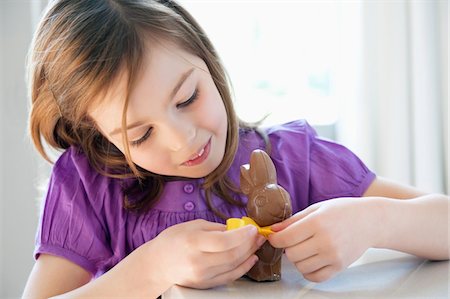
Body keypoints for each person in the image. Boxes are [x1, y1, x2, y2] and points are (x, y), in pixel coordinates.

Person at [22, 1, 449, 298]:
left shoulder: (294, 160)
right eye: (140, 135)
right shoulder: (88, 186)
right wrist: (153, 269)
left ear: (208, 60)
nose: (183, 139)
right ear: (98, 133)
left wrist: (374, 222)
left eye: (188, 98)